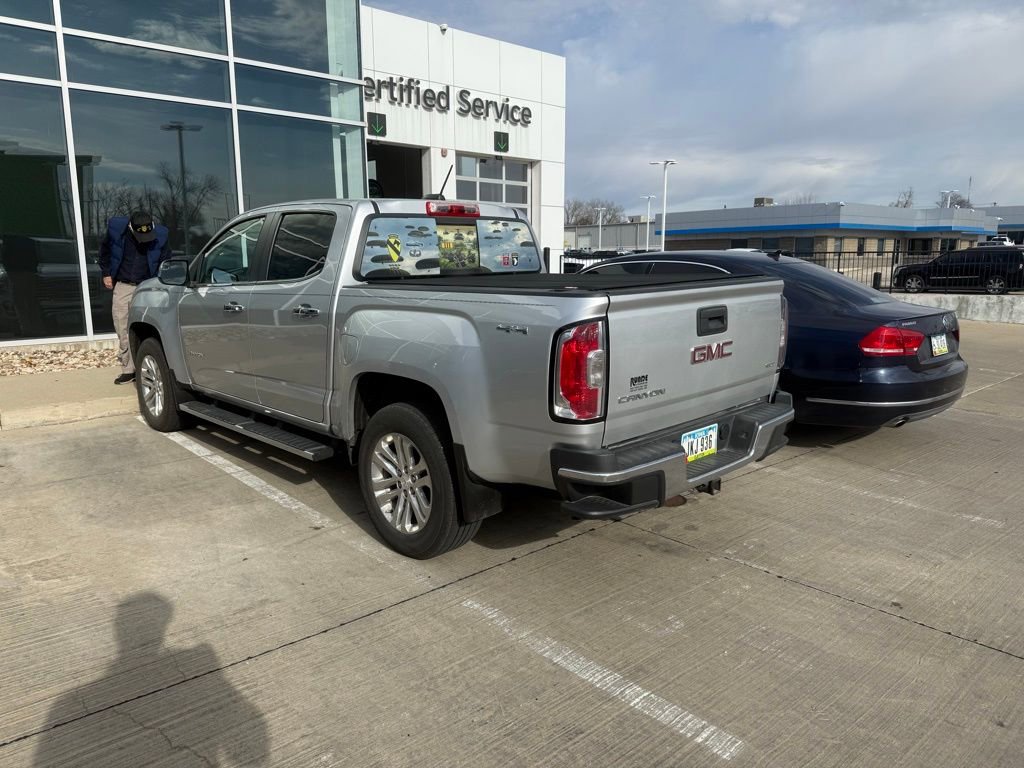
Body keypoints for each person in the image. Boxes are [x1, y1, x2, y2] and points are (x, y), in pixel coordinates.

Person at [99, 211, 171, 385]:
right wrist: (106, 273)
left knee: (149, 327)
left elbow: (166, 261)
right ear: (131, 227)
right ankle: (128, 369)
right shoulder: (116, 229)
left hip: (148, 286)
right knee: (122, 325)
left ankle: (148, 368)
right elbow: (105, 251)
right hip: (124, 285)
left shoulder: (161, 235)